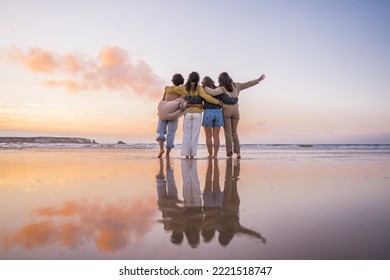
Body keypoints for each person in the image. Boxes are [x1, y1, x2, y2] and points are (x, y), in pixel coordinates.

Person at [165, 72, 237, 159]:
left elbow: (171, 89)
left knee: (187, 134)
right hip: (202, 113)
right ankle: (200, 155)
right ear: (198, 79)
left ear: (189, 78)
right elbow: (207, 97)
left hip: (188, 113)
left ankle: (187, 154)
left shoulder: (184, 87)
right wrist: (218, 102)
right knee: (198, 135)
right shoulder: (200, 88)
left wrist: (167, 88)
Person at [204, 73, 266, 158]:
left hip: (226, 111)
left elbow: (213, 92)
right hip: (236, 111)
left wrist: (203, 87)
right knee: (234, 132)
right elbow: (248, 84)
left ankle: (229, 153)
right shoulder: (237, 85)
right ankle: (238, 153)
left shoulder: (222, 88)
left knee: (228, 133)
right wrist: (258, 80)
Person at [156, 73, 201, 158]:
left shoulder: (167, 90)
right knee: (171, 133)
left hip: (163, 113)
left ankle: (161, 149)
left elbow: (163, 100)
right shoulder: (180, 91)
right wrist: (195, 105)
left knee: (160, 131)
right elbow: (182, 104)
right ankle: (168, 154)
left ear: (172, 81)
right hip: (173, 115)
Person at [201, 76, 235, 158]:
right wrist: (234, 100)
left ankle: (210, 154)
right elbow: (225, 99)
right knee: (216, 135)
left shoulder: (204, 90)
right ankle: (215, 155)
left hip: (208, 112)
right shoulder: (218, 89)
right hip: (218, 112)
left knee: (208, 136)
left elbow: (201, 99)